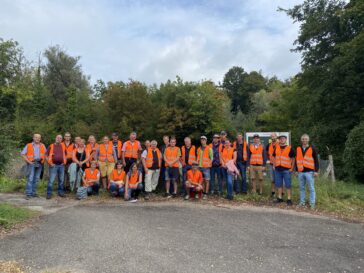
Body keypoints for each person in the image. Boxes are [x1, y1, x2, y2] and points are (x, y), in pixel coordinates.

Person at [296, 134, 320, 209]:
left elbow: (316, 160)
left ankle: (312, 203)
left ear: (308, 140)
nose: (304, 140)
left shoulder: (312, 148)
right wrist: (296, 170)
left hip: (309, 172)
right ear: (301, 140)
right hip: (300, 172)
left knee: (311, 188)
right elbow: (297, 160)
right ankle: (302, 202)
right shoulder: (298, 148)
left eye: (306, 139)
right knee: (301, 188)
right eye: (303, 139)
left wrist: (316, 171)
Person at [21, 133, 47, 199]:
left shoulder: (42, 145)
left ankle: (34, 193)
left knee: (37, 179)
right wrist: (29, 162)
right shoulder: (29, 145)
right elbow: (23, 154)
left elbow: (46, 154)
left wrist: (44, 161)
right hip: (31, 164)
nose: (37, 138)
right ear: (33, 138)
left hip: (40, 164)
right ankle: (28, 194)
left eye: (39, 137)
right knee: (30, 179)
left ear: (40, 139)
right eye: (36, 137)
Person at [273, 135, 295, 205]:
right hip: (278, 169)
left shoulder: (290, 148)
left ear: (286, 140)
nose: (282, 140)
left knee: (288, 185)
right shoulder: (276, 147)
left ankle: (289, 198)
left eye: (283, 139)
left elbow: (293, 158)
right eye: (280, 139)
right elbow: (274, 156)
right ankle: (280, 198)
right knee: (279, 184)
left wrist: (292, 168)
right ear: (279, 140)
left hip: (286, 169)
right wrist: (274, 165)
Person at [46, 135, 67, 199]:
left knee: (61, 180)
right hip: (53, 165)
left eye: (60, 138)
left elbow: (66, 154)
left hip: (61, 165)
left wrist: (64, 162)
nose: (59, 139)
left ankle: (60, 192)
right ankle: (49, 193)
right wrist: (50, 163)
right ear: (55, 138)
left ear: (62, 140)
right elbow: (46, 155)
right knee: (51, 180)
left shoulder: (63, 146)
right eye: (58, 138)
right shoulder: (51, 146)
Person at [266, 133, 278, 197]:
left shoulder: (279, 144)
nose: (273, 137)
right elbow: (267, 153)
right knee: (272, 179)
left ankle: (279, 193)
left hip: (278, 165)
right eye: (271, 136)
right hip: (271, 164)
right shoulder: (269, 145)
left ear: (276, 137)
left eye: (274, 136)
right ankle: (273, 192)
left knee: (278, 180)